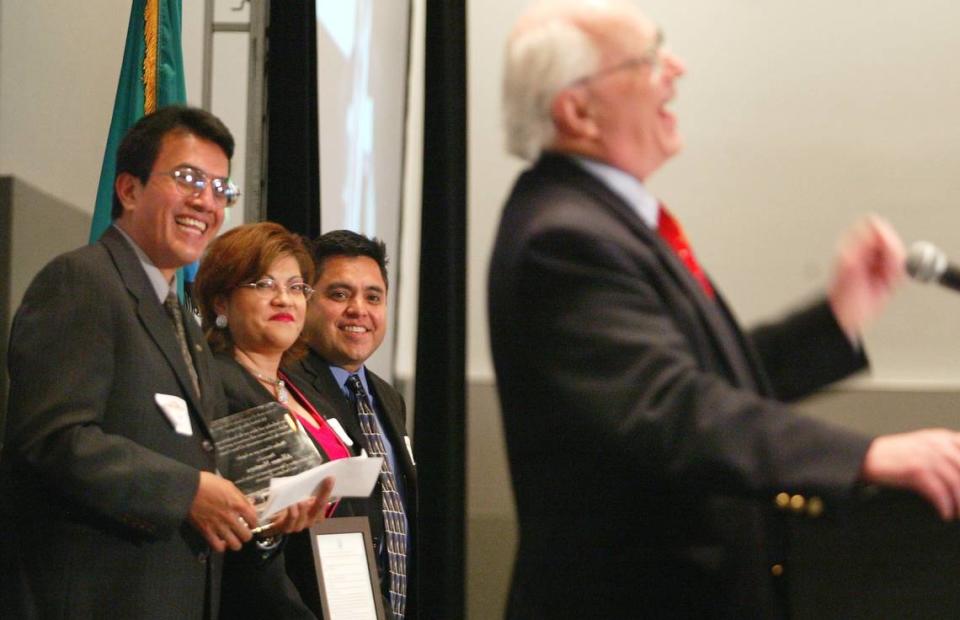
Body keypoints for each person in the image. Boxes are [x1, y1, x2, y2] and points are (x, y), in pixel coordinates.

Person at [489, 1, 960, 617]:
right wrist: (866, 457)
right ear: (578, 110)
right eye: (649, 58)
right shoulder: (566, 239)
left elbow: (706, 382)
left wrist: (836, 318)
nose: (676, 69)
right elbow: (669, 409)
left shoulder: (600, 220)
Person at [0, 106, 259, 619]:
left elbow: (194, 449)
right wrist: (185, 492)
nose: (206, 202)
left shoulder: (179, 315)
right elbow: (51, 439)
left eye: (220, 189)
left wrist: (269, 506)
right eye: (188, 178)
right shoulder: (82, 281)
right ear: (129, 189)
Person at [193, 221, 341, 619]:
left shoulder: (300, 390)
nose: (284, 300)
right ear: (221, 303)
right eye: (264, 285)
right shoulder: (216, 387)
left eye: (296, 287)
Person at [285, 230, 417, 619]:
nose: (359, 310)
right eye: (339, 295)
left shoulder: (389, 398)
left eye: (373, 297)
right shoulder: (282, 384)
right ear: (306, 301)